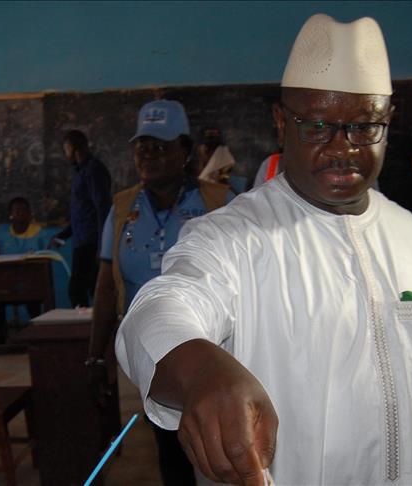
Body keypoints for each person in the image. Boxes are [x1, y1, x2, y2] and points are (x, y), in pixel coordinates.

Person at [116, 13, 412, 486]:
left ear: (388, 120)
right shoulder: (231, 236)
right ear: (281, 123)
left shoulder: (409, 234)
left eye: (364, 127)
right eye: (317, 126)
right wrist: (200, 371)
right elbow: (158, 310)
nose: (343, 149)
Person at [87, 99, 232, 486]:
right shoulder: (121, 209)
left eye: (161, 146)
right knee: (169, 444)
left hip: (212, 347)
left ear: (184, 150)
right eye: (142, 147)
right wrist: (95, 356)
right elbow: (105, 286)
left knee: (217, 444)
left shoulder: (219, 202)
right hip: (149, 352)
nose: (149, 156)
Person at [52, 129, 112, 307]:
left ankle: (92, 330)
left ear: (73, 148)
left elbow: (103, 208)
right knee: (88, 288)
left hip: (91, 242)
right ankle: (91, 329)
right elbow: (82, 214)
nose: (65, 155)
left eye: (66, 150)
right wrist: (62, 235)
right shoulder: (81, 172)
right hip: (82, 241)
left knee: (79, 290)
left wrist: (102, 246)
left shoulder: (93, 170)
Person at [0, 196, 45, 343]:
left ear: (29, 213)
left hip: (31, 282)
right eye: (17, 210)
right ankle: (1, 336)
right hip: (7, 283)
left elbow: (44, 258)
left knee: (33, 295)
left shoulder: (38, 233)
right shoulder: (2, 236)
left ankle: (37, 334)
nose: (20, 213)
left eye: (24, 210)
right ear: (11, 214)